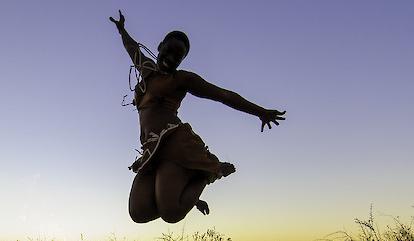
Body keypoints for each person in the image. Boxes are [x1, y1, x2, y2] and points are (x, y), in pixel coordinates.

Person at [110, 11, 286, 224]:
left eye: (178, 56)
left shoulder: (180, 79)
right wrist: (121, 30)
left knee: (171, 214)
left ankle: (209, 172)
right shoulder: (146, 71)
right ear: (160, 46)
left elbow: (224, 95)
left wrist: (260, 111)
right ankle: (187, 192)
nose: (171, 58)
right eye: (168, 51)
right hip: (152, 148)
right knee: (139, 213)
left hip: (175, 143)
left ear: (183, 60)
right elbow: (132, 48)